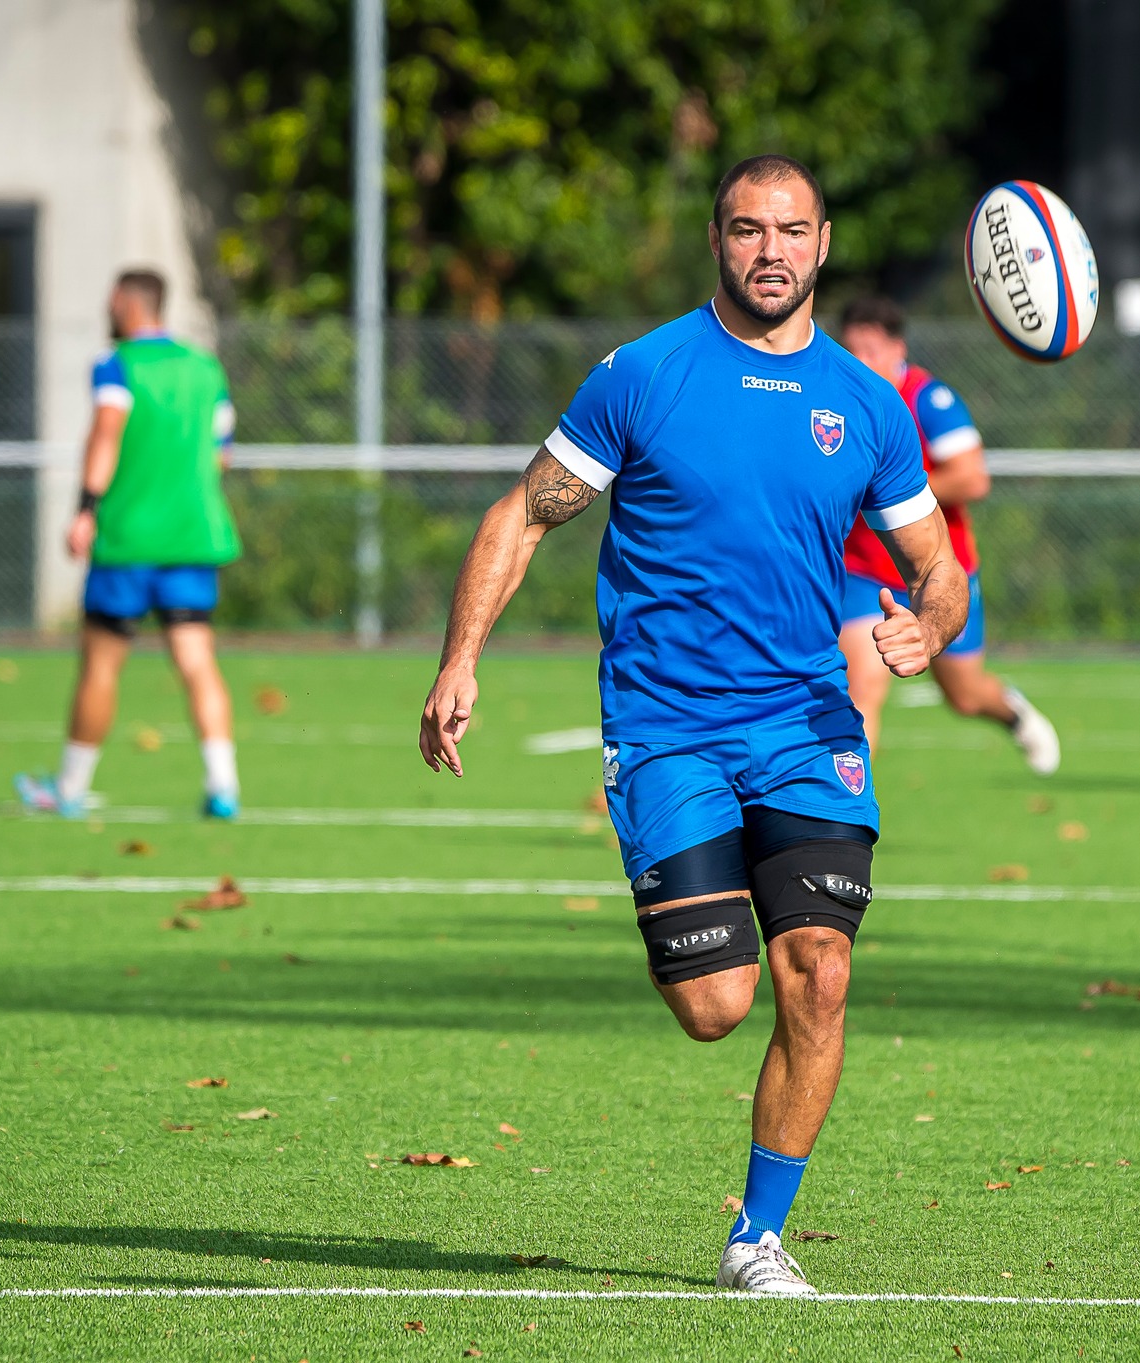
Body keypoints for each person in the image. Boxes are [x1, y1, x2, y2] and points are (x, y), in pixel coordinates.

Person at [417, 155, 968, 1295]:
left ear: (824, 244)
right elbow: (522, 515)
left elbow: (940, 565)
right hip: (667, 725)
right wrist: (460, 656)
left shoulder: (865, 401)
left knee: (817, 972)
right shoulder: (644, 374)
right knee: (717, 1005)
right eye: (744, 229)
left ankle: (755, 1238)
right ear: (714, 240)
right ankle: (701, 942)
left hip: (808, 722)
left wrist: (928, 623)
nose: (768, 250)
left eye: (790, 230)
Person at [16, 269, 242, 820]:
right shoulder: (205, 368)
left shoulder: (116, 365)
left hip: (128, 539)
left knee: (101, 666)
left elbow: (106, 433)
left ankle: (69, 790)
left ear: (123, 302)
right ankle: (223, 786)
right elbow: (222, 453)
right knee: (196, 661)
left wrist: (86, 509)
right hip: (194, 538)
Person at [834, 297, 1059, 773]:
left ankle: (1011, 712)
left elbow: (972, 478)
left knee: (964, 695)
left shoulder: (928, 400)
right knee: (861, 688)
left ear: (898, 349)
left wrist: (891, 492)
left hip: (938, 569)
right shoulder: (835, 398)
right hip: (864, 574)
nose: (860, 362)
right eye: (851, 350)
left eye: (871, 350)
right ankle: (843, 815)